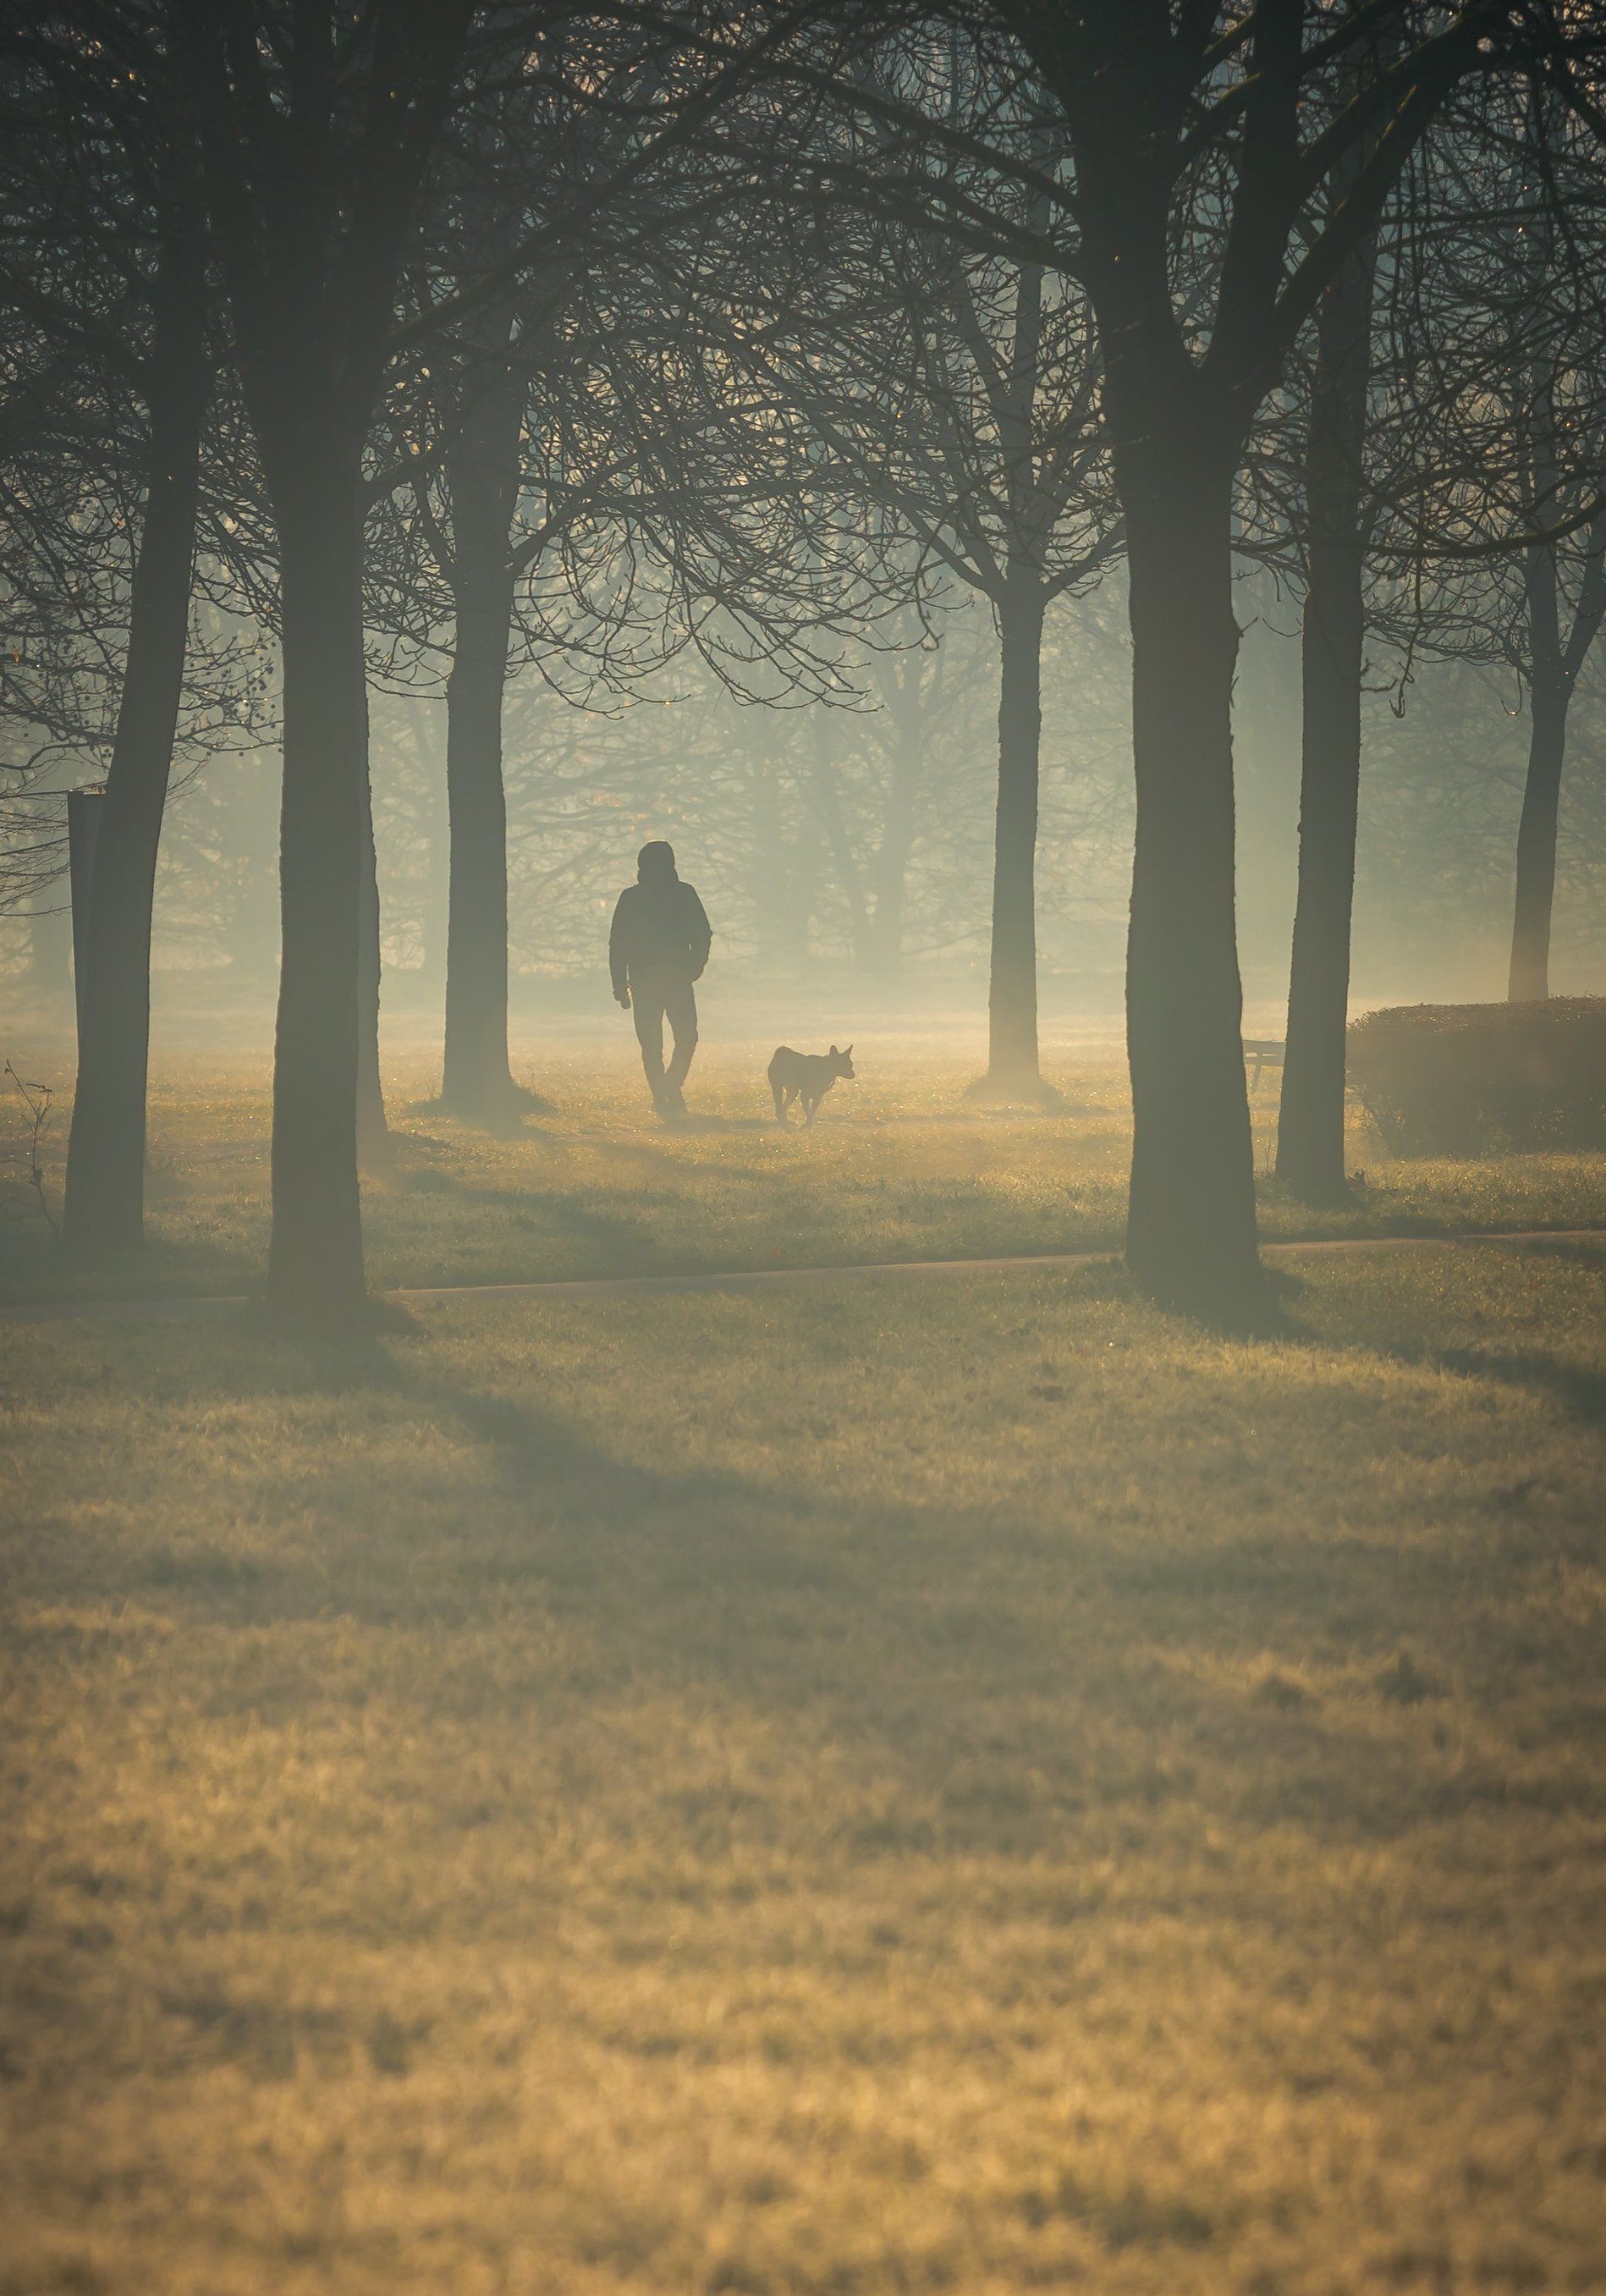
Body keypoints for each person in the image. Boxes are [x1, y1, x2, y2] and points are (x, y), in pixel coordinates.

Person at [609, 840, 712, 1117]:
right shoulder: (678, 894)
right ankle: (667, 1092)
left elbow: (618, 944)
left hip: (660, 980)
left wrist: (620, 983)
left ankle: (665, 1090)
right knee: (667, 1042)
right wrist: (696, 965)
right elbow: (618, 942)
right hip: (662, 980)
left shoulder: (640, 897)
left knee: (670, 1041)